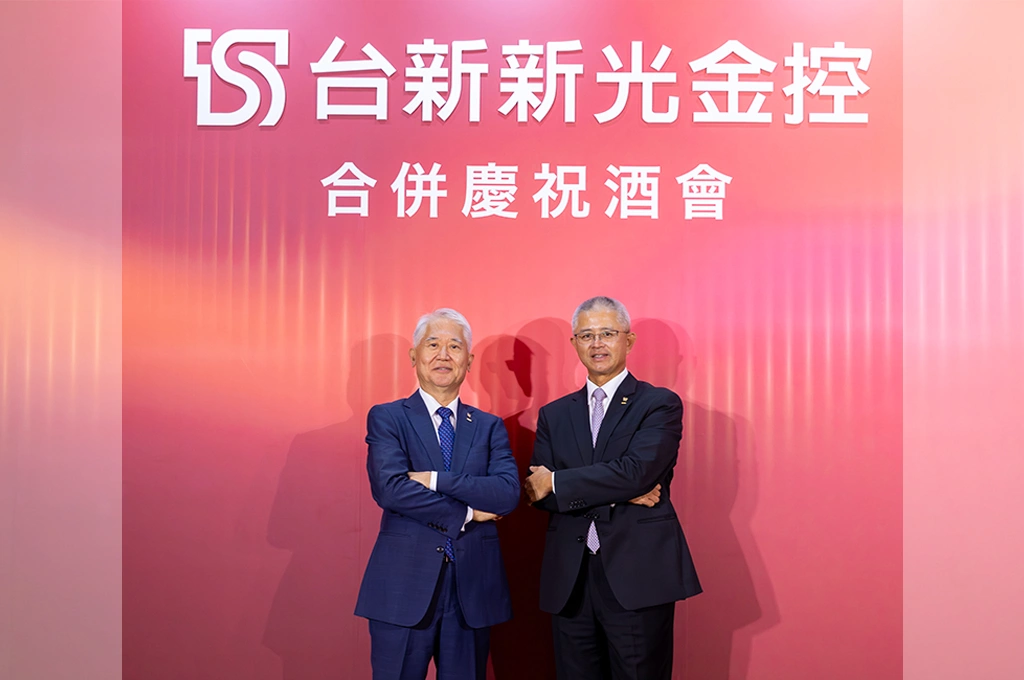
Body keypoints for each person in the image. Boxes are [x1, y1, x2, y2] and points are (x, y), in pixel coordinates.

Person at [524, 296, 702, 680]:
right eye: (586, 335)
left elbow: (636, 473)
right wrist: (620, 490)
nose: (597, 344)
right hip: (570, 580)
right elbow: (538, 496)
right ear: (574, 343)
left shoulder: (658, 404)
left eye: (607, 333)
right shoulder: (554, 415)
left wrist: (559, 480)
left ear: (628, 340)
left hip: (637, 574)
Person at [355, 308, 520, 680]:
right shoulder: (388, 417)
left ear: (469, 361)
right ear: (414, 356)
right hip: (402, 586)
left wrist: (434, 480)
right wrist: (468, 513)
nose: (444, 355)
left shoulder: (489, 427)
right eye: (433, 344)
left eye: (454, 346)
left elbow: (506, 494)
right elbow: (391, 489)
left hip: (471, 590)